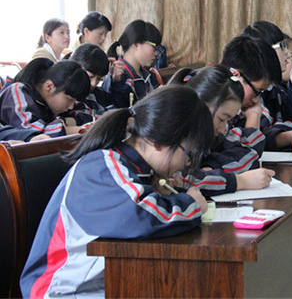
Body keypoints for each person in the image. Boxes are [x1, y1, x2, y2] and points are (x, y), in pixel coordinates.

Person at [19, 85, 214, 298]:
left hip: (100, 284)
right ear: (159, 141)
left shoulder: (130, 167)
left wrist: (160, 190)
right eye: (188, 153)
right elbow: (141, 215)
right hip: (59, 290)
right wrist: (191, 204)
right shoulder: (102, 166)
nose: (185, 163)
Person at [168, 65, 275, 196]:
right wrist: (240, 181)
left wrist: (213, 166)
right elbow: (180, 181)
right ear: (200, 105)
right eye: (222, 119)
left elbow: (248, 152)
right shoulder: (173, 135)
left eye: (228, 121)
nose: (224, 128)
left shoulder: (209, 133)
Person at [221, 34, 292, 155]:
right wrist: (253, 116)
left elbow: (260, 136)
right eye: (257, 91)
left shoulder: (243, 102)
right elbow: (245, 155)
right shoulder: (212, 106)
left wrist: (290, 136)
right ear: (235, 75)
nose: (256, 100)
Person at [0, 58, 90, 137]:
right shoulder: (17, 91)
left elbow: (87, 114)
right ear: (49, 87)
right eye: (69, 100)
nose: (71, 106)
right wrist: (74, 129)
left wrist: (65, 121)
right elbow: (34, 133)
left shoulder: (51, 99)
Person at [103, 19, 161, 108]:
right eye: (154, 47)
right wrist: (117, 83)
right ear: (135, 45)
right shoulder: (116, 78)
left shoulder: (149, 76)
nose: (156, 53)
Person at [68, 43, 113, 122]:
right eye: (90, 77)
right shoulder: (65, 96)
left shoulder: (98, 95)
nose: (93, 83)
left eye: (99, 79)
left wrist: (116, 81)